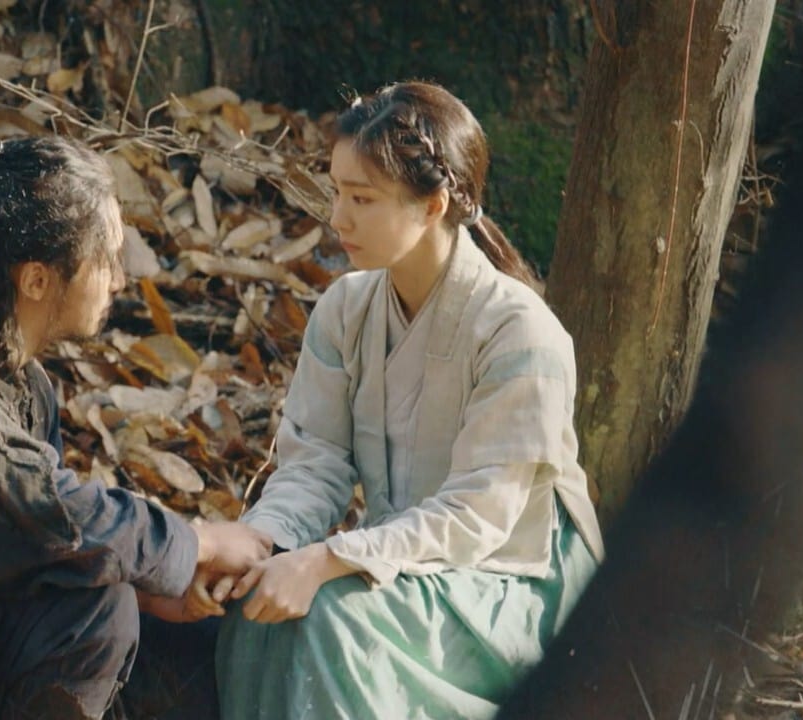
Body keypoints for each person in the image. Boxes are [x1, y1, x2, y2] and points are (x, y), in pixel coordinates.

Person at [0, 117, 269, 720]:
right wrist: (196, 543)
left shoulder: (18, 378)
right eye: (105, 260)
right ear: (37, 278)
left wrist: (158, 588)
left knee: (182, 631)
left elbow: (37, 551)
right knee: (98, 614)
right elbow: (58, 520)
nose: (120, 279)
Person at [202, 81, 607, 719]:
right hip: (406, 562)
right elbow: (314, 465)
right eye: (337, 192)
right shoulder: (345, 309)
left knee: (333, 619)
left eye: (362, 198)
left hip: (512, 587)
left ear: (433, 205)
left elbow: (476, 517)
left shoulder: (520, 332)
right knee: (259, 605)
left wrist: (330, 559)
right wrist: (262, 544)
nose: (338, 218)